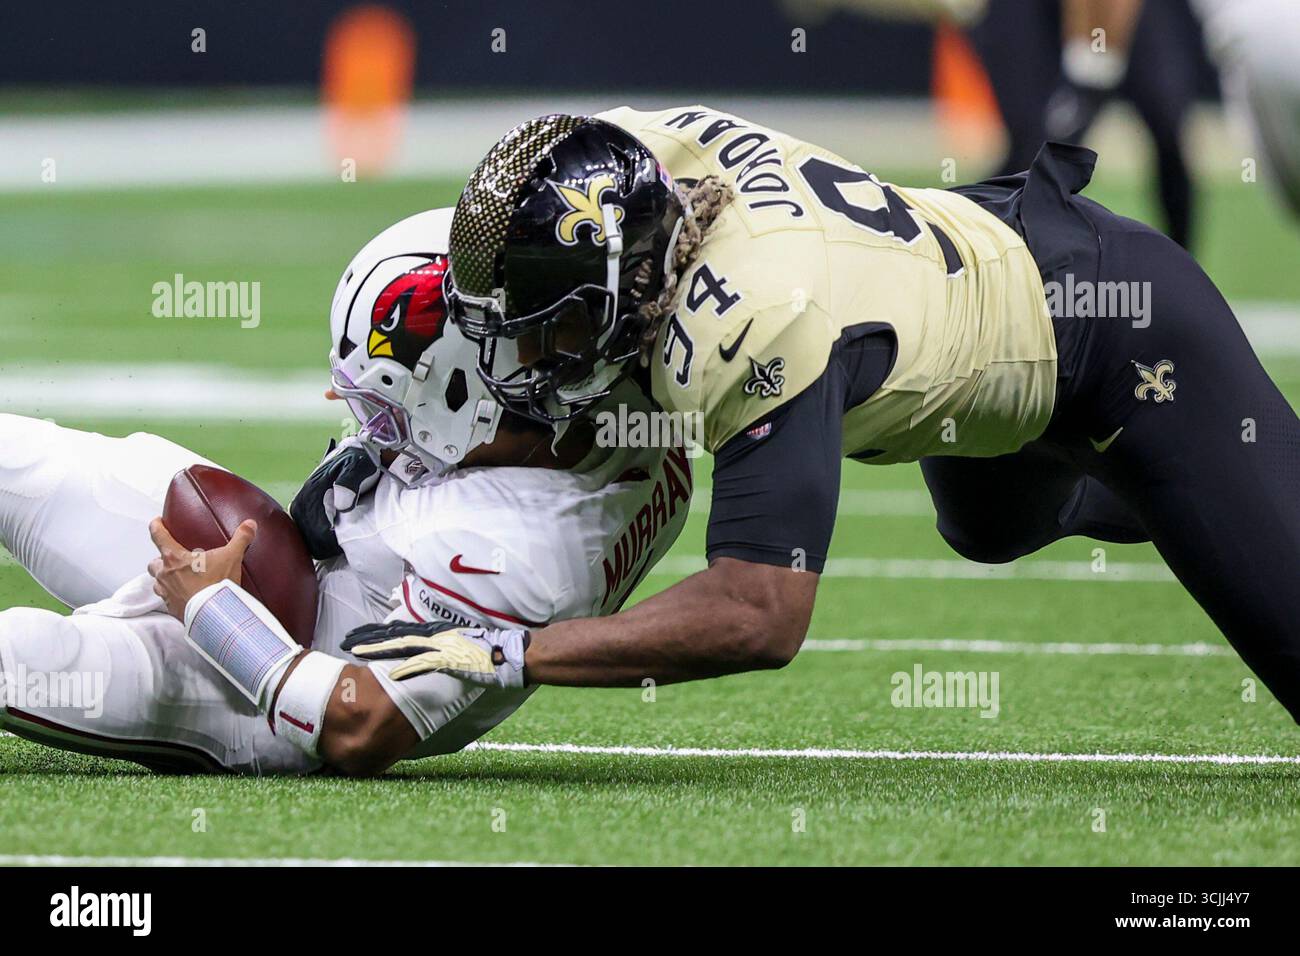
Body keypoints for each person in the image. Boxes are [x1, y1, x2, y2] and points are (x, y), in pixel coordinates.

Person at [367, 105, 1300, 729]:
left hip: (1118, 338)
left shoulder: (753, 318)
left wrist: (513, 651)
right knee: (986, 527)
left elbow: (758, 613)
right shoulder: (634, 160)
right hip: (983, 293)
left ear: (634, 279)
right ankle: (1220, 496)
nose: (532, 361)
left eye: (556, 327)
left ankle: (1222, 487)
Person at [0, 208, 690, 774]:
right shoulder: (600, 382)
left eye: (385, 408)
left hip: (267, 685)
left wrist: (211, 610)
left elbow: (360, 722)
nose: (370, 426)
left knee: (21, 659)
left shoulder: (521, 547)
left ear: (466, 392)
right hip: (268, 560)